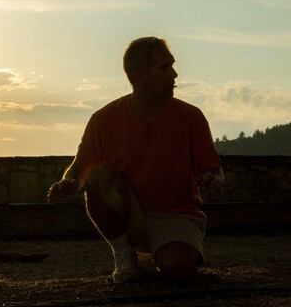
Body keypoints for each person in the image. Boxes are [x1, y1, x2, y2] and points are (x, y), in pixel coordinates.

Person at [47, 36, 224, 285]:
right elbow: (79, 170)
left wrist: (214, 178)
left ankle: (154, 258)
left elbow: (214, 170)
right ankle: (125, 256)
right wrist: (68, 183)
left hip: (176, 217)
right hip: (132, 215)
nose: (174, 74)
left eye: (172, 65)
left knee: (178, 269)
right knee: (98, 175)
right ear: (139, 76)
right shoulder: (104, 119)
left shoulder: (191, 118)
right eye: (164, 67)